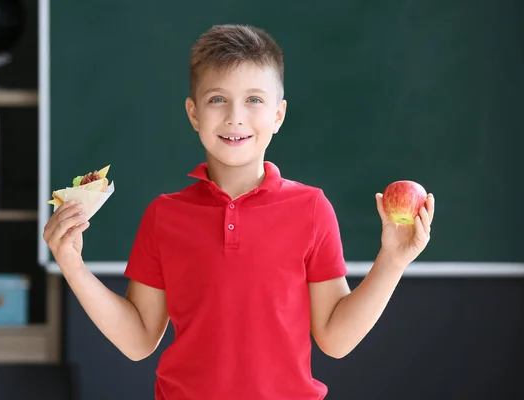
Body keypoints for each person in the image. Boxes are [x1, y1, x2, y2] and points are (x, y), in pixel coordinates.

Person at [43, 24, 435, 400]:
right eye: (217, 99)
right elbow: (139, 339)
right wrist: (73, 266)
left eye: (254, 99)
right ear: (194, 113)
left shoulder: (311, 208)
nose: (235, 117)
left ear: (278, 115)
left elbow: (335, 338)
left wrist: (393, 260)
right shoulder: (165, 215)